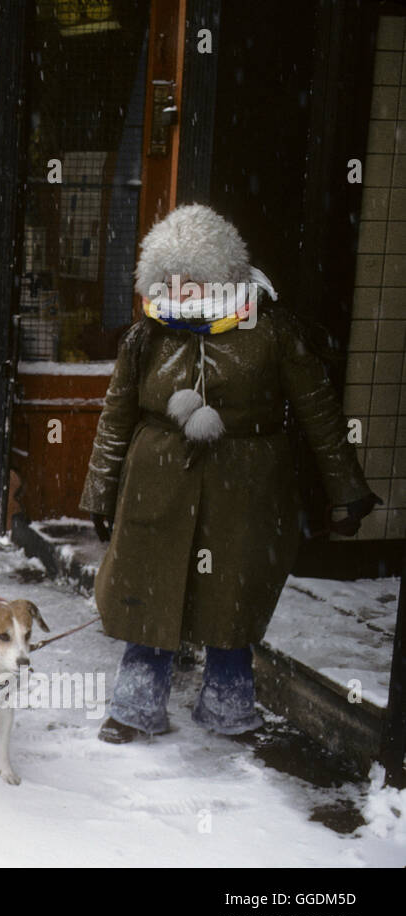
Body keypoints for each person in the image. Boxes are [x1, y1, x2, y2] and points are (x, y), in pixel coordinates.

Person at [80, 205, 379, 745]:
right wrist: (100, 490)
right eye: (172, 278)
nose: (183, 288)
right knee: (148, 592)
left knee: (231, 599)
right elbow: (116, 414)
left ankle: (227, 705)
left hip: (247, 485)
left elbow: (319, 412)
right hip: (157, 482)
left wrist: (347, 490)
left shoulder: (272, 331)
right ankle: (135, 706)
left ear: (221, 272)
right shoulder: (146, 336)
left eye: (194, 276)